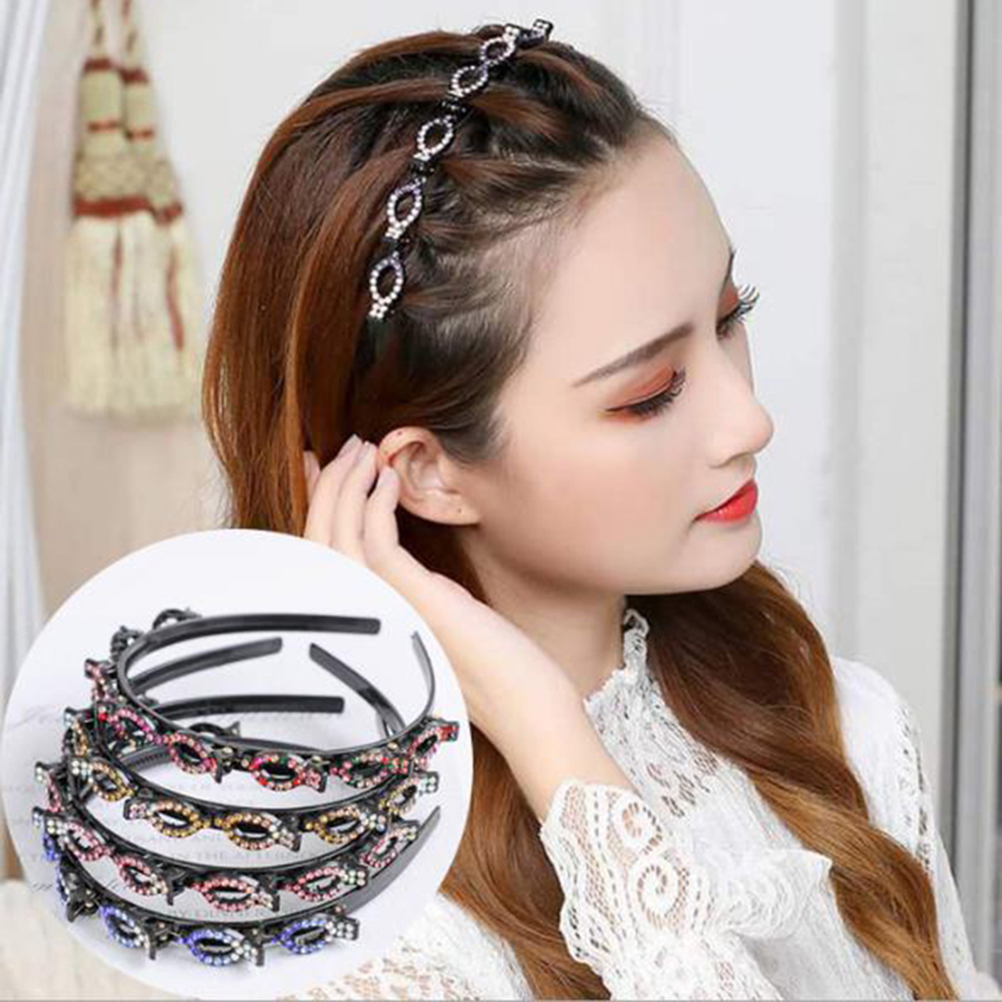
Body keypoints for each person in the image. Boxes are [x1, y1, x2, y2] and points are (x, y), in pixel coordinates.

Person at [198, 18, 1002, 1001]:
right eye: (650, 393)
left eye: (731, 318)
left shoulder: (837, 723)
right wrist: (549, 736)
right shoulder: (359, 922)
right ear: (429, 473)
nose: (749, 420)